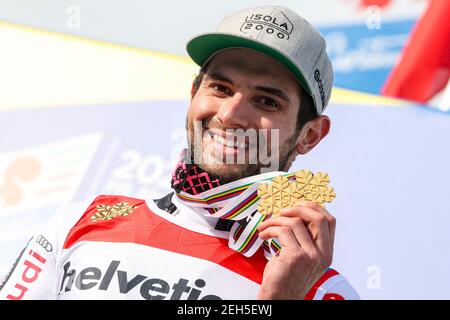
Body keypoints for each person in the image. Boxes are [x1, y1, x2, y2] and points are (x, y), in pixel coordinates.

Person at [0, 5, 359, 300]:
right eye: (220, 87)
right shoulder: (81, 222)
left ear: (309, 136)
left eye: (266, 101)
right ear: (193, 94)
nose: (230, 114)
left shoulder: (321, 288)